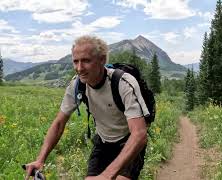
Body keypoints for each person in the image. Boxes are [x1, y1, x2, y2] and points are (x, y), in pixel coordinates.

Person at [24, 35, 149, 180]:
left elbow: (139, 135)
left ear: (102, 60)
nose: (79, 68)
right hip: (103, 142)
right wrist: (40, 159)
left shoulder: (123, 83)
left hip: (129, 142)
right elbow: (59, 124)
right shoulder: (77, 85)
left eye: (86, 61)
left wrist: (107, 175)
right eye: (75, 61)